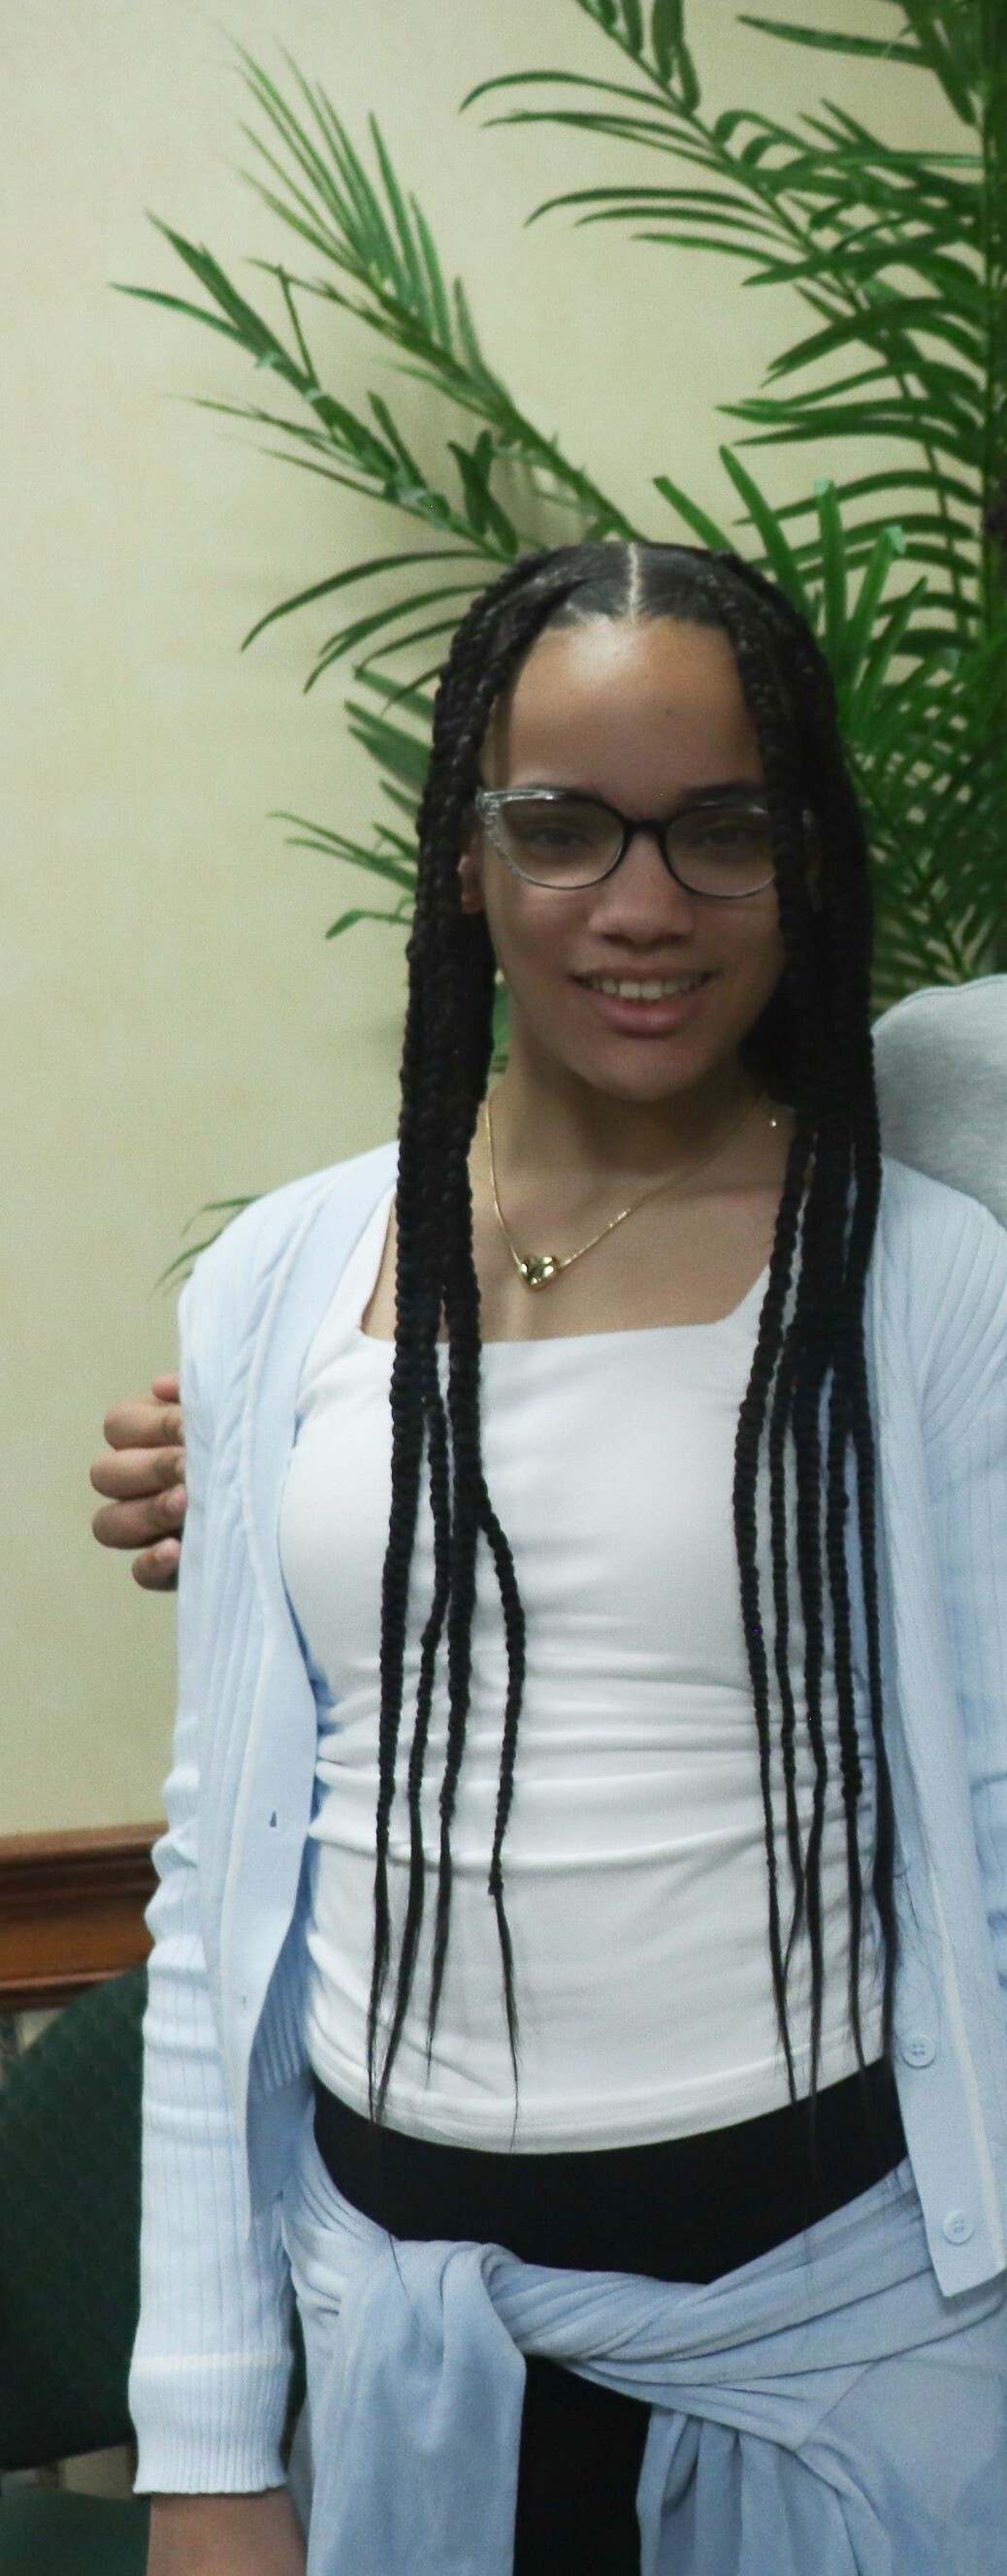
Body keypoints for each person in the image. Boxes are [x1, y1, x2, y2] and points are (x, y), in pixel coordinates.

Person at [95, 542, 1007, 2576]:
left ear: (804, 854)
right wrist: (207, 2440)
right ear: (465, 853)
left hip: (857, 2359)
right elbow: (222, 1898)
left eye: (722, 829)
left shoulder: (925, 1278)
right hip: (401, 2364)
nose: (644, 903)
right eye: (563, 826)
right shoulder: (284, 1279)